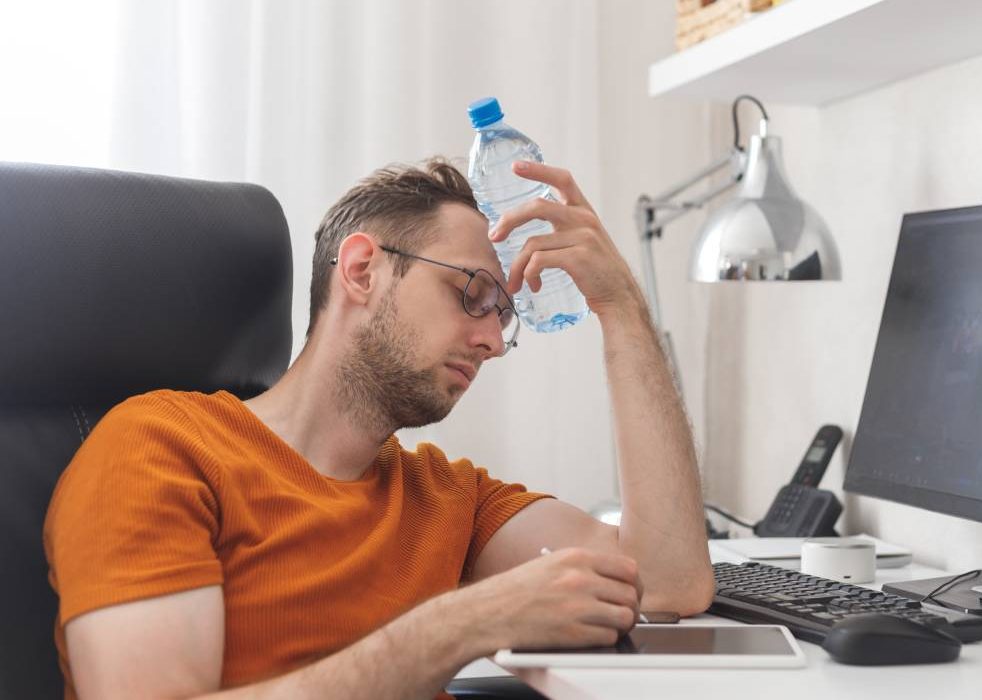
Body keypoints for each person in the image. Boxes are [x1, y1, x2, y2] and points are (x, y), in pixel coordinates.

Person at [44, 158, 713, 700]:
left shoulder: (448, 497)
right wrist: (461, 624)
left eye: (503, 316)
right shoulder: (160, 449)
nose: (492, 342)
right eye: (473, 293)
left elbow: (669, 578)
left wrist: (619, 305)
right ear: (363, 270)